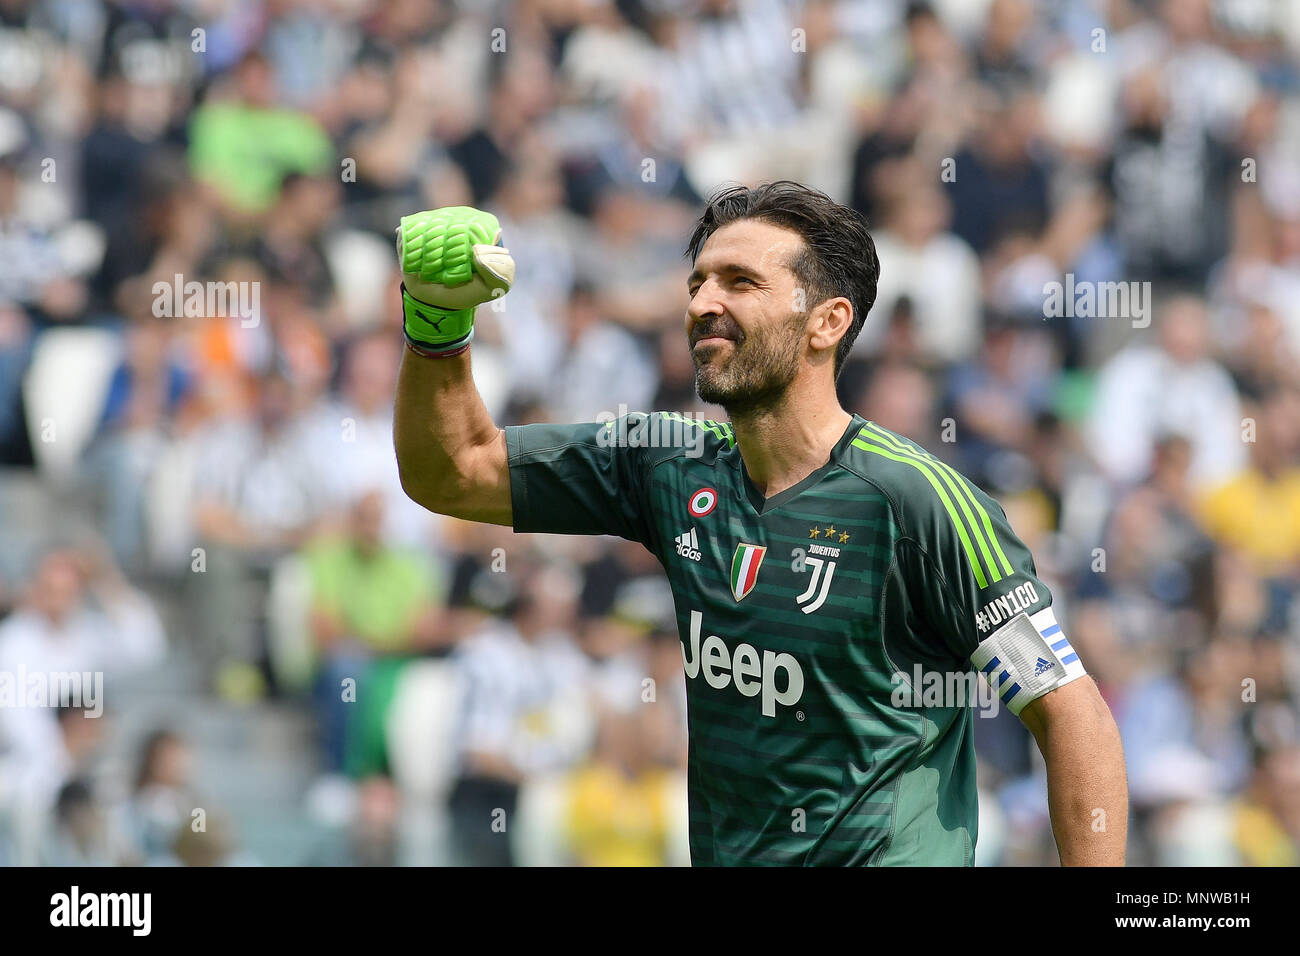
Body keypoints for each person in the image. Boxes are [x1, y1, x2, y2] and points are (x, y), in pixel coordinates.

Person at [392, 184, 1128, 866]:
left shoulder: (920, 502)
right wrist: (436, 324)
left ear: (827, 321)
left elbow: (1071, 715)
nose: (703, 302)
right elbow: (453, 469)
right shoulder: (665, 464)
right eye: (697, 283)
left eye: (740, 282)